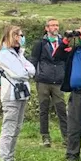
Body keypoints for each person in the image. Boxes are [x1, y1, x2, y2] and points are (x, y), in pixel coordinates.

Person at [53, 25, 81, 161]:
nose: (79, 37)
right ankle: (72, 155)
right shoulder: (73, 50)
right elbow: (56, 56)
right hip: (76, 94)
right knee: (73, 126)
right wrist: (66, 40)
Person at [0, 26, 35, 161]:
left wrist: (25, 71)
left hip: (21, 95)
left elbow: (32, 69)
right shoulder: (5, 55)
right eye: (19, 35)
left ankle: (10, 157)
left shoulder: (18, 54)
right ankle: (5, 159)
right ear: (12, 36)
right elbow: (20, 74)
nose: (22, 38)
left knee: (17, 127)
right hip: (10, 96)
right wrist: (26, 72)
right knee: (9, 127)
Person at [29, 18, 67, 147]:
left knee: (61, 109)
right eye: (52, 25)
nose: (55, 27)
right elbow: (33, 60)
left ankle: (66, 137)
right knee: (43, 109)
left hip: (58, 81)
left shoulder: (64, 42)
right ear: (46, 28)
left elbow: (67, 61)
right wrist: (34, 76)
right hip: (43, 81)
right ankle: (45, 137)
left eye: (57, 25)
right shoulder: (40, 43)